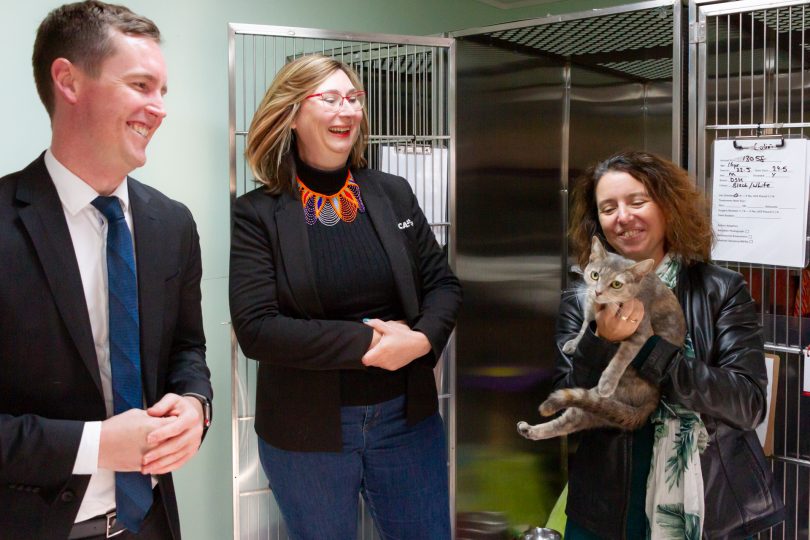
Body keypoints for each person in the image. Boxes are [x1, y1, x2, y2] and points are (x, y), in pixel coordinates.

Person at [0, 2, 212, 538]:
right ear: (68, 80)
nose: (159, 108)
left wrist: (195, 405)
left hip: (152, 524)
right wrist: (95, 446)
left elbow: (188, 348)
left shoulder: (172, 223)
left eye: (163, 91)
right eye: (141, 85)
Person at [229, 54, 461, 540]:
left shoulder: (392, 193)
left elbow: (443, 286)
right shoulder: (257, 214)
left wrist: (420, 343)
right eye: (331, 98)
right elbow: (257, 329)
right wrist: (371, 343)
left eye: (354, 99)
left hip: (407, 423)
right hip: (307, 431)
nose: (349, 110)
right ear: (292, 114)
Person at [555, 151, 785, 538]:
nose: (623, 217)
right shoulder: (582, 297)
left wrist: (644, 349)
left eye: (637, 201)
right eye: (608, 208)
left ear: (666, 205)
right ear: (598, 223)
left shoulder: (720, 289)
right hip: (607, 505)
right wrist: (599, 341)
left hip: (708, 505)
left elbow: (747, 404)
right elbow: (570, 404)